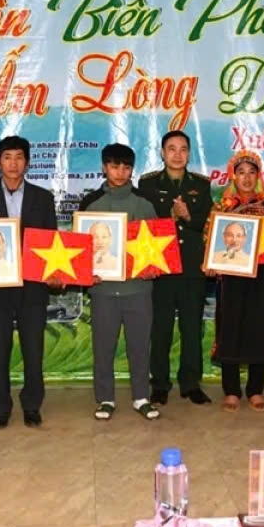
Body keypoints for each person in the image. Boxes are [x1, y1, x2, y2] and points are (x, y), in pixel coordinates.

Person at [0, 136, 58, 429]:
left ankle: (32, 405)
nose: (13, 163)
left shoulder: (43, 198)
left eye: (19, 157)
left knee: (34, 350)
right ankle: (1, 407)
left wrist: (55, 272)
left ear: (27, 162)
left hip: (33, 286)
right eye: (7, 157)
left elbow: (51, 243)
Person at [79, 143, 160, 421]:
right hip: (102, 290)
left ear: (132, 170)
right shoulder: (90, 204)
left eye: (126, 167)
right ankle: (105, 399)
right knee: (104, 348)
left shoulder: (145, 204)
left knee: (139, 346)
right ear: (104, 167)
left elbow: (156, 250)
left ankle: (141, 397)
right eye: (114, 166)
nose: (120, 172)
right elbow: (80, 251)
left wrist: (154, 268)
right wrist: (84, 271)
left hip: (139, 289)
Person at [139, 130, 214, 406]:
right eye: (172, 149)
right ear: (162, 153)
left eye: (183, 149)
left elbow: (207, 225)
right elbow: (144, 227)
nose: (177, 154)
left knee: (192, 329)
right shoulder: (147, 184)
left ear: (189, 153)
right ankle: (159, 384)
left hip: (192, 269)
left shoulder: (202, 185)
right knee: (160, 329)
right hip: (161, 268)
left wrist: (189, 217)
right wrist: (170, 217)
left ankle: (191, 383)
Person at [207, 150, 264, 413]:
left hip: (262, 279)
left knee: (259, 330)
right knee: (230, 330)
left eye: (252, 172)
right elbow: (210, 244)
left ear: (258, 176)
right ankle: (231, 391)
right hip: (231, 279)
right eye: (241, 173)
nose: (247, 178)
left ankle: (255, 389)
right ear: (233, 176)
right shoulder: (220, 209)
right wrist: (211, 264)